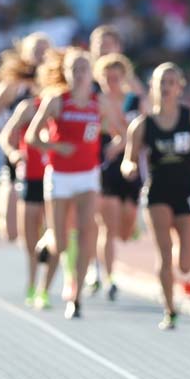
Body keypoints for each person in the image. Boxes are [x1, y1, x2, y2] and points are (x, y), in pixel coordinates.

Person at [25, 47, 124, 319]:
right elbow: (32, 137)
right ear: (67, 74)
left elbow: (122, 133)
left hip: (87, 176)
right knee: (61, 242)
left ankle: (76, 296)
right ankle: (48, 241)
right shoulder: (57, 101)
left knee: (86, 232)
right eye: (75, 70)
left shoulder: (99, 102)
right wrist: (56, 146)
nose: (81, 75)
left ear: (92, 73)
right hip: (59, 176)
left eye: (85, 69)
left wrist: (114, 147)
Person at [122, 62, 190, 329]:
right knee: (164, 255)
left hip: (186, 191)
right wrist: (129, 169)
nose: (165, 87)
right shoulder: (142, 124)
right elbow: (128, 159)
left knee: (185, 264)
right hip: (157, 192)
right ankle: (169, 309)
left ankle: (177, 269)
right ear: (152, 87)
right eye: (161, 82)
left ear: (179, 87)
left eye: (171, 82)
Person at [0, 32, 51, 243]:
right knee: (10, 233)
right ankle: (1, 217)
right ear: (25, 54)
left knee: (44, 222)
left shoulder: (56, 86)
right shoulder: (13, 86)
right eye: (36, 50)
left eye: (45, 50)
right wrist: (6, 142)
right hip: (18, 157)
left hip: (47, 156)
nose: (41, 55)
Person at [91, 53, 145, 301]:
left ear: (124, 78)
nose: (111, 82)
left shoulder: (134, 101)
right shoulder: (97, 101)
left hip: (130, 166)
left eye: (116, 77)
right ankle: (109, 277)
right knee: (108, 226)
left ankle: (129, 229)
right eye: (106, 77)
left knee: (126, 227)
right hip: (106, 166)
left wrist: (125, 140)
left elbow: (144, 130)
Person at [0, 94, 47, 307]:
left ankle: (48, 286)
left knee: (56, 234)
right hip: (31, 177)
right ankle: (32, 282)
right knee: (30, 238)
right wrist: (13, 153)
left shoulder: (67, 106)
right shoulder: (28, 107)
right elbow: (5, 137)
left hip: (57, 177)